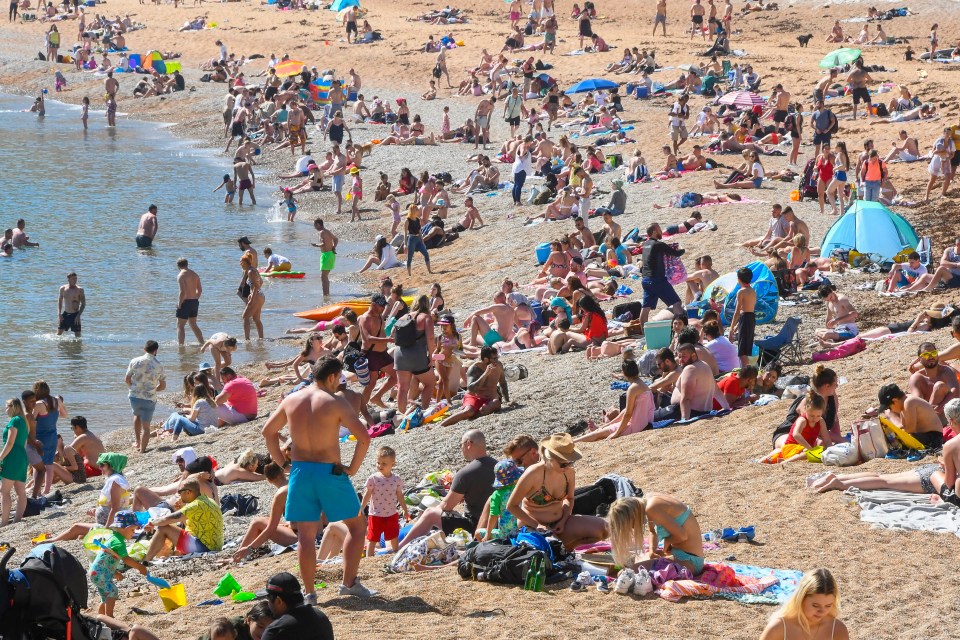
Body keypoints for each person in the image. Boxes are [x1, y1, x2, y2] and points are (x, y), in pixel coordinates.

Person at [262, 356, 373, 601]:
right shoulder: (335, 402)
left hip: (300, 472)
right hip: (329, 471)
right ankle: (349, 583)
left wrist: (282, 463)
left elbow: (268, 432)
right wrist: (352, 469)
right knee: (356, 526)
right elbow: (364, 438)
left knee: (306, 535)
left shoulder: (291, 400)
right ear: (332, 377)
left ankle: (310, 594)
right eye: (338, 379)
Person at [507, 433, 608, 549]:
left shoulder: (569, 472)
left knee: (604, 528)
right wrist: (537, 525)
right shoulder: (533, 473)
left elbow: (569, 499)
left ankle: (569, 549)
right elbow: (511, 506)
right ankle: (565, 549)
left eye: (570, 462)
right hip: (532, 525)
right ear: (550, 458)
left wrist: (564, 519)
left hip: (559, 523)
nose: (567, 466)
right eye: (563, 464)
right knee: (551, 548)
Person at [400, 429, 496, 545]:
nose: (461, 448)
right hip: (497, 526)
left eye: (461, 444)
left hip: (475, 529)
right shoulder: (498, 466)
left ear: (469, 444)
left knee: (430, 512)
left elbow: (446, 506)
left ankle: (400, 546)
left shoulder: (465, 474)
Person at [607, 493, 705, 575]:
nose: (633, 528)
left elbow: (682, 536)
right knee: (633, 560)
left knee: (625, 573)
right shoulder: (649, 503)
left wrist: (668, 541)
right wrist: (652, 550)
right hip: (679, 555)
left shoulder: (652, 508)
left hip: (690, 561)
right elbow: (652, 531)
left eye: (630, 525)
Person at [142, 477, 224, 561]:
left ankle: (146, 560)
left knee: (164, 528)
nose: (179, 495)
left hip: (204, 547)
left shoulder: (195, 505)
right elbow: (188, 527)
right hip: (214, 545)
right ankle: (172, 554)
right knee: (176, 528)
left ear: (188, 492)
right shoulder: (208, 500)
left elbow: (166, 519)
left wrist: (152, 523)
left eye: (180, 492)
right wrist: (180, 508)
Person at [575, 359, 654, 441]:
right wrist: (609, 424)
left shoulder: (633, 388)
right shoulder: (644, 385)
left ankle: (572, 442)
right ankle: (603, 427)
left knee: (597, 434)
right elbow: (626, 411)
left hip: (636, 426)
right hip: (644, 423)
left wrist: (617, 433)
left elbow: (628, 414)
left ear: (624, 373)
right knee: (602, 429)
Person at [88, 510, 148, 617]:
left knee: (105, 596)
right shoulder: (118, 541)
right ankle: (109, 617)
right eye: (132, 529)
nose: (134, 532)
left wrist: (115, 572)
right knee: (112, 591)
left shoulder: (113, 538)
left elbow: (106, 559)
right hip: (101, 572)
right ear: (124, 528)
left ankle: (101, 618)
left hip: (97, 571)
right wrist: (140, 567)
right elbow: (126, 559)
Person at [759, 569, 849, 640]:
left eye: (828, 605)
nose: (822, 611)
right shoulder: (778, 627)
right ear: (801, 599)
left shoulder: (837, 629)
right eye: (815, 605)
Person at [439, 347, 509, 427]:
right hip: (474, 397)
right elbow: (471, 388)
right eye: (494, 358)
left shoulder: (499, 365)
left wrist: (507, 400)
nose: (497, 360)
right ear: (486, 359)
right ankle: (441, 426)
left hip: (490, 398)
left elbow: (503, 382)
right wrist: (485, 374)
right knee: (467, 412)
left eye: (497, 357)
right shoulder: (474, 369)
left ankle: (474, 415)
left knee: (496, 404)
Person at [359, 445, 409, 557]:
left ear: (393, 464)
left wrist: (405, 509)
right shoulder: (373, 478)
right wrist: (362, 507)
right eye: (378, 463)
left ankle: (396, 553)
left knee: (393, 535)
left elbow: (400, 495)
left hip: (391, 513)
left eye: (384, 463)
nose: (380, 466)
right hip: (375, 514)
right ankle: (369, 558)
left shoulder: (396, 479)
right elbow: (367, 494)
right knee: (372, 538)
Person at [653, 343, 724, 421]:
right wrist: (726, 408)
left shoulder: (690, 369)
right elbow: (716, 390)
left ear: (693, 356)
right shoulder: (704, 365)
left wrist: (684, 419)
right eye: (679, 357)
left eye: (684, 357)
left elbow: (686, 398)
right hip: (704, 411)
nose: (681, 360)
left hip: (682, 411)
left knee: (650, 418)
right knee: (660, 396)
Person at [763, 390, 835, 464]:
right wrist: (809, 448)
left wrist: (830, 450)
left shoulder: (820, 421)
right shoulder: (802, 420)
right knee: (807, 453)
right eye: (811, 415)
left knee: (820, 449)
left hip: (802, 448)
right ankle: (786, 461)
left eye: (818, 416)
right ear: (805, 410)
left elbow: (827, 439)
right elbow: (796, 434)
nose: (815, 418)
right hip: (792, 446)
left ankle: (782, 458)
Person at [393, 296, 436, 414]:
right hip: (416, 354)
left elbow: (393, 333)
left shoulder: (403, 317)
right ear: (427, 305)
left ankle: (401, 414)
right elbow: (430, 338)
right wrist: (431, 357)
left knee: (402, 387)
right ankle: (423, 410)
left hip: (400, 354)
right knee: (430, 382)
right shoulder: (425, 317)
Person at [637, 223, 685, 328]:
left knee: (646, 308)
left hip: (646, 280)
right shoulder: (659, 244)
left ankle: (644, 334)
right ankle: (681, 329)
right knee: (677, 303)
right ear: (654, 232)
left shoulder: (645, 245)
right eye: (659, 229)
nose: (661, 232)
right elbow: (676, 253)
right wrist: (682, 248)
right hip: (657, 280)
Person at [261, 572, 334, 640]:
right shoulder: (321, 617)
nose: (268, 604)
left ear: (279, 601)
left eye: (268, 600)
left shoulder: (275, 631)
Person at [125, 340, 166, 454]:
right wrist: (153, 390)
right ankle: (142, 450)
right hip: (149, 398)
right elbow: (162, 386)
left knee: (136, 415)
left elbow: (127, 379)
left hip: (134, 396)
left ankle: (137, 442)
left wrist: (133, 389)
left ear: (144, 349)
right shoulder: (158, 365)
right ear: (156, 350)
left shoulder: (134, 361)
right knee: (147, 426)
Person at [878, 383, 944, 450]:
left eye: (889, 407)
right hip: (925, 435)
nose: (891, 410)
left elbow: (910, 430)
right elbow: (903, 426)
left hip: (933, 438)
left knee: (901, 439)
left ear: (895, 401)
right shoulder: (903, 403)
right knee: (893, 437)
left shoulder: (909, 402)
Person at [907, 342, 960, 420]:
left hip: (951, 414)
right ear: (919, 360)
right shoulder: (917, 378)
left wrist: (939, 408)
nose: (931, 356)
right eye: (926, 355)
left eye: (934, 353)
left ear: (937, 355)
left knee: (940, 386)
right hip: (931, 418)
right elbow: (917, 400)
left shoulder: (946, 370)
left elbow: (955, 390)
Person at [0, 398, 28, 527]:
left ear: (12, 406)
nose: (5, 410)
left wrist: (0, 458)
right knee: (20, 491)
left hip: (13, 458)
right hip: (21, 456)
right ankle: (17, 519)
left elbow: (10, 443)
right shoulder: (23, 421)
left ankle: (4, 522)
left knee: (4, 491)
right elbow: (24, 443)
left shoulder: (15, 421)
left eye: (6, 407)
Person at [728, 266, 757, 367]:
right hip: (751, 318)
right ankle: (748, 371)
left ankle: (746, 373)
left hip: (745, 318)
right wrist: (738, 325)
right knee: (746, 349)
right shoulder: (752, 291)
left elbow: (737, 312)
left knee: (742, 352)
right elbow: (748, 309)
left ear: (739, 279)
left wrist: (731, 328)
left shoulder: (741, 292)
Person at [176, 258, 204, 345]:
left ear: (178, 266)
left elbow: (183, 292)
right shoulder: (195, 274)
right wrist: (195, 299)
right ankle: (202, 342)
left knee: (180, 325)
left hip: (185, 302)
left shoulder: (181, 275)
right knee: (193, 324)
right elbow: (199, 290)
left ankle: (181, 346)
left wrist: (179, 304)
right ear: (187, 264)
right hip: (194, 302)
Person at [311, 219, 338, 297]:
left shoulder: (321, 232)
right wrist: (333, 247)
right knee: (325, 276)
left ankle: (325, 295)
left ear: (318, 225)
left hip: (326, 255)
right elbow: (336, 239)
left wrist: (315, 245)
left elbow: (323, 243)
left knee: (323, 276)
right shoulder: (327, 231)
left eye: (315, 225)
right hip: (331, 254)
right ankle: (327, 294)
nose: (314, 227)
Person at [403, 206, 433, 276]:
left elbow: (419, 231)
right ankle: (409, 274)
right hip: (411, 239)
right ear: (413, 210)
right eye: (416, 209)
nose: (418, 211)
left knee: (426, 254)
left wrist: (422, 241)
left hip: (418, 239)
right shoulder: (407, 220)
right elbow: (405, 233)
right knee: (410, 257)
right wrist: (405, 244)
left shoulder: (417, 219)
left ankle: (429, 271)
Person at [57, 272, 85, 337]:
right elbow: (60, 301)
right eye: (73, 279)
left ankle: (76, 347)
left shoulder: (80, 290)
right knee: (58, 335)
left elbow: (83, 304)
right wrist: (59, 313)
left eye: (76, 279)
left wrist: (78, 315)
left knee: (78, 337)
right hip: (65, 314)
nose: (75, 280)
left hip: (75, 316)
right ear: (68, 279)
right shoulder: (63, 288)